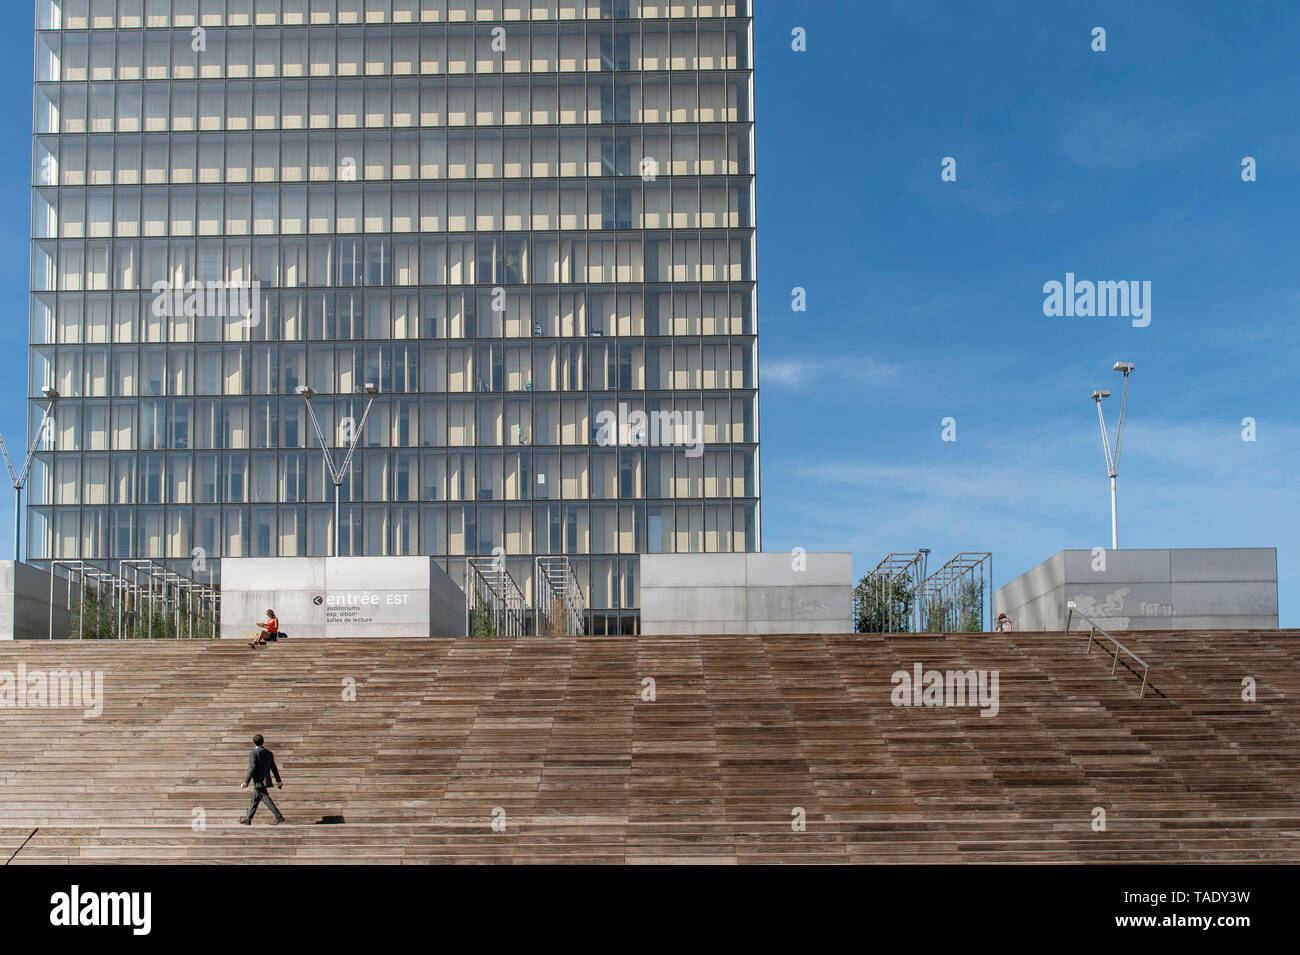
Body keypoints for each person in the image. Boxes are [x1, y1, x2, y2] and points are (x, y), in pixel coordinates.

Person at [239, 734, 285, 825]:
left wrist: (246, 782)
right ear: (263, 741)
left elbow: (252, 768)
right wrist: (278, 781)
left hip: (259, 781)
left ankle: (279, 816)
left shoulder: (253, 753)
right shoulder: (269, 753)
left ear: (253, 742)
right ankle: (248, 819)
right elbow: (274, 768)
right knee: (254, 800)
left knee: (265, 798)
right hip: (265, 780)